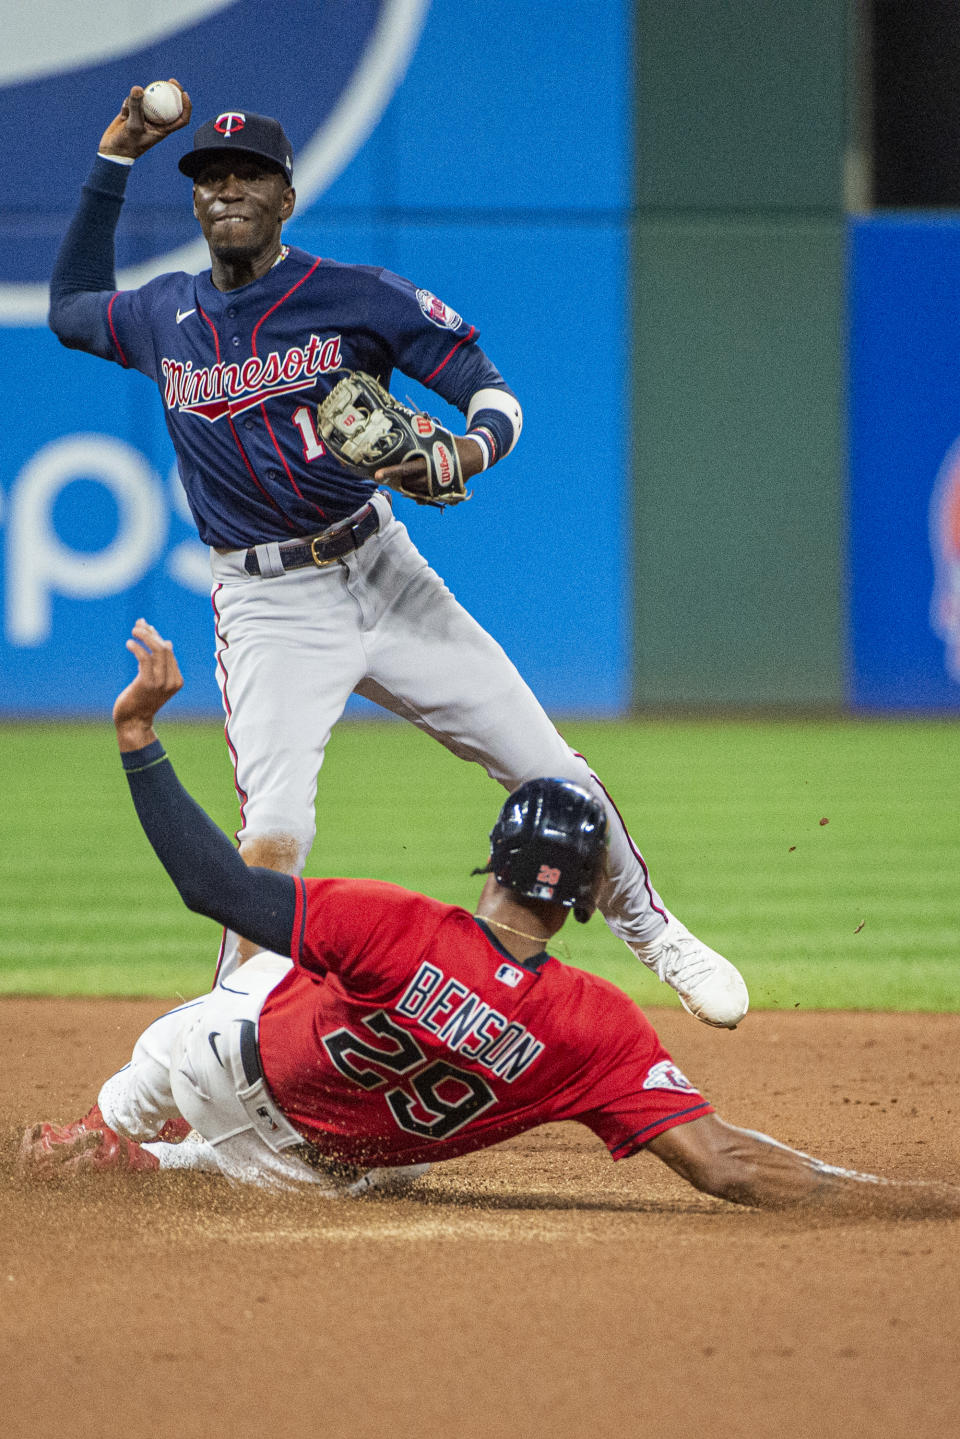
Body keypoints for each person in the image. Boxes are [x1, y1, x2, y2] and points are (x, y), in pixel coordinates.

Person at [48, 81, 748, 1029]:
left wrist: (468, 449)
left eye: (247, 173)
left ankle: (657, 932)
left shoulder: (354, 295)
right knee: (273, 834)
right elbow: (73, 306)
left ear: (285, 196)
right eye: (209, 177)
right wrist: (116, 153)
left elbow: (489, 389)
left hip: (382, 573)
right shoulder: (163, 313)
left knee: (549, 770)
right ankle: (224, 1038)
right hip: (268, 607)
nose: (226, 191)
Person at [18, 623, 960, 1219]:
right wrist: (911, 1199)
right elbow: (724, 1167)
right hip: (314, 1173)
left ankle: (102, 1128)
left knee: (229, 996)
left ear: (493, 859)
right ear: (592, 899)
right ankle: (164, 1166)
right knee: (379, 1166)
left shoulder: (394, 924)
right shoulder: (594, 1027)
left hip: (219, 1069)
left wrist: (138, 738)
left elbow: (211, 887)